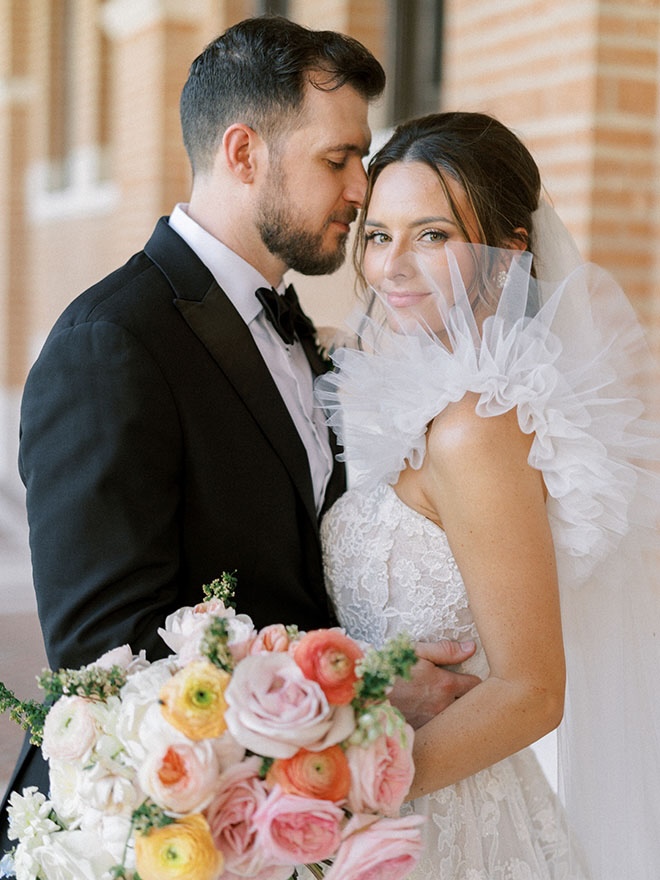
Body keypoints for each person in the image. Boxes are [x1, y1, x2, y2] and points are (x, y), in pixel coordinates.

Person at [0, 18, 479, 856]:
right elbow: (106, 654)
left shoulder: (304, 336)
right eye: (338, 159)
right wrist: (357, 695)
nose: (362, 188)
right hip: (152, 834)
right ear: (244, 152)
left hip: (289, 828)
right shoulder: (110, 342)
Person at [317, 111, 660, 879]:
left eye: (432, 236)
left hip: (437, 818)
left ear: (508, 254)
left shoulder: (477, 426)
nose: (392, 266)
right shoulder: (428, 400)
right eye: (378, 236)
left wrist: (350, 802)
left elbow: (532, 692)